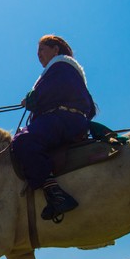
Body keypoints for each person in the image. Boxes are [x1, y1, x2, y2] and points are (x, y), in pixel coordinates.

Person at [12, 35, 96, 222]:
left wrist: (32, 99)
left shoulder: (61, 67)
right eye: (37, 52)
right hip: (69, 120)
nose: (39, 55)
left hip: (63, 119)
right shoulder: (64, 70)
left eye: (42, 49)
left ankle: (55, 193)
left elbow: (49, 92)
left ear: (56, 49)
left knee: (23, 140)